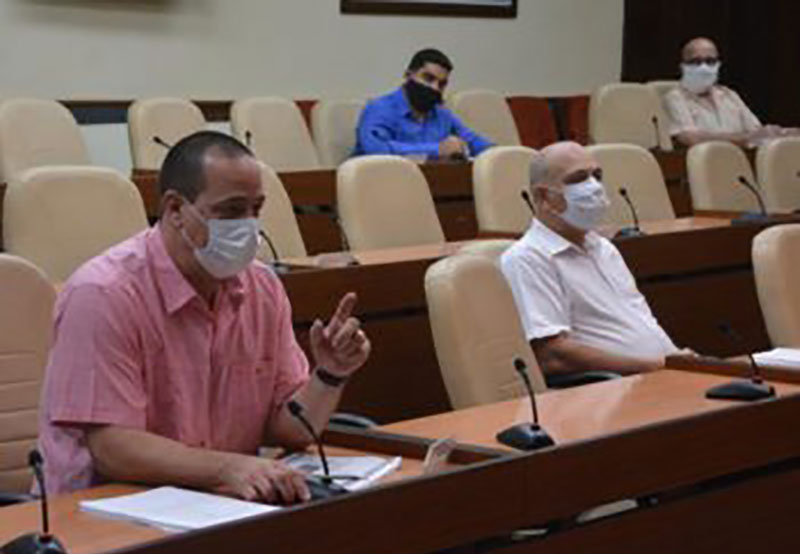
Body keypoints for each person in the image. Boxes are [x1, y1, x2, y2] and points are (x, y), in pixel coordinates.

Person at [38, 132, 371, 503]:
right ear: (176, 209)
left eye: (255, 209)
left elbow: (291, 430)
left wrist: (329, 375)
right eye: (231, 211)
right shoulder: (103, 294)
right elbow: (112, 448)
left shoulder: (262, 288)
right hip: (103, 515)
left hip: (214, 505)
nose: (248, 226)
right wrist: (229, 467)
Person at [501, 142, 683, 378]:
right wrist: (655, 367)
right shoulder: (527, 258)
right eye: (578, 179)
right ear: (542, 196)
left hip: (665, 376)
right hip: (614, 391)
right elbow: (553, 356)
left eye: (597, 176)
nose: (594, 187)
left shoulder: (604, 248)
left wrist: (678, 360)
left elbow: (640, 321)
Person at [353, 47, 493, 161]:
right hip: (377, 186)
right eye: (428, 78)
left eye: (442, 84)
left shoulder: (441, 114)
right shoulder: (379, 108)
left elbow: (476, 142)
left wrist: (501, 155)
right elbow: (377, 150)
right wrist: (437, 149)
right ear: (408, 75)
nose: (435, 88)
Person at [664, 37, 797, 147]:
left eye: (710, 61)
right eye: (696, 61)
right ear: (682, 67)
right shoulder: (674, 98)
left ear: (718, 65)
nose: (703, 67)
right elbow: (690, 138)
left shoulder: (729, 95)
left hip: (740, 166)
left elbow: (756, 131)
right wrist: (746, 138)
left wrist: (781, 133)